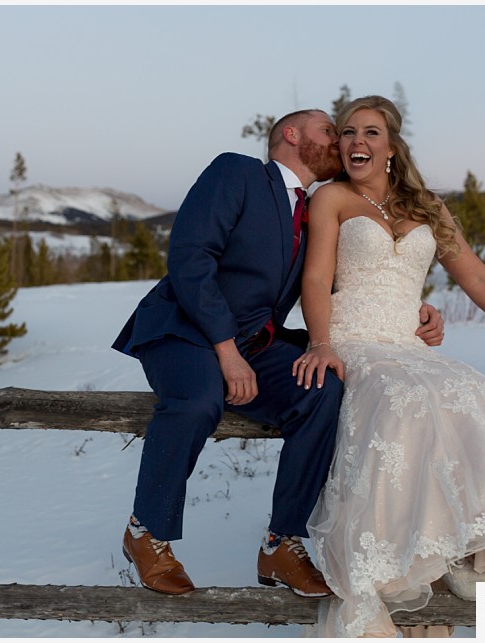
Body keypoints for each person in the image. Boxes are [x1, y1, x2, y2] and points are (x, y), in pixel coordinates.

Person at [295, 95, 485, 637]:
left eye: (370, 132)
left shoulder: (427, 207)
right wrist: (321, 343)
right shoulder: (331, 198)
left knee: (471, 393)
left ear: (392, 146)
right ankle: (409, 556)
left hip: (409, 343)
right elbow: (317, 279)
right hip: (354, 340)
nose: (356, 142)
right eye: (346, 133)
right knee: (402, 402)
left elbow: (478, 278)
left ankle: (471, 550)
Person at [112, 108, 447, 598]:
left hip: (255, 347)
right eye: (330, 131)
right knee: (199, 399)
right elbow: (190, 257)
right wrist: (225, 349)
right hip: (182, 331)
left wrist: (415, 309)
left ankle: (281, 543)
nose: (340, 141)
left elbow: (350, 280)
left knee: (322, 390)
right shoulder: (239, 173)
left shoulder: (313, 210)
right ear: (292, 135)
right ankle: (146, 532)